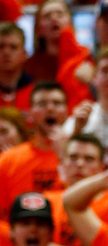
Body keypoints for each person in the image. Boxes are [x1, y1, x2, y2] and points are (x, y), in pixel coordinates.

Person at [0, 82, 69, 220]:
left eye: (57, 103)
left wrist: (64, 156)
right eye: (42, 104)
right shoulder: (8, 160)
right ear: (30, 113)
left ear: (67, 111)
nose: (50, 108)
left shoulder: (82, 158)